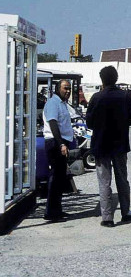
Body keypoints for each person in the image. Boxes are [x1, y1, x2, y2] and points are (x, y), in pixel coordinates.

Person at [86, 66, 131, 227]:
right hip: (120, 144)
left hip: (101, 144)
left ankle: (107, 217)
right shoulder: (125, 96)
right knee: (122, 179)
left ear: (102, 79)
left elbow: (89, 122)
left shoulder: (96, 97)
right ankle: (126, 212)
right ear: (116, 78)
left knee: (104, 181)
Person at [42, 80, 75, 222]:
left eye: (69, 89)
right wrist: (61, 144)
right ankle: (51, 212)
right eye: (65, 88)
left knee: (60, 178)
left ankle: (57, 210)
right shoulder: (52, 103)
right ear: (57, 89)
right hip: (55, 143)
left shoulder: (63, 104)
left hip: (61, 142)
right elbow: (53, 123)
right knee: (55, 177)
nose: (67, 91)